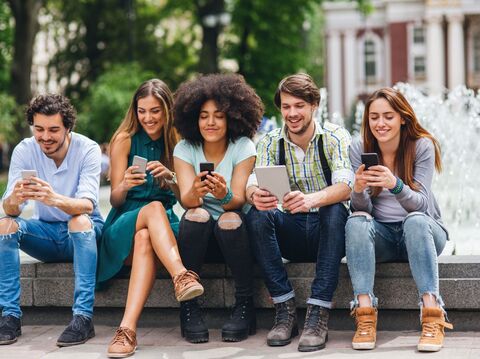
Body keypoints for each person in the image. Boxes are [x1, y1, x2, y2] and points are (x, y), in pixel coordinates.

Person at [246, 73, 353, 352]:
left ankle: (318, 313)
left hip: (326, 233)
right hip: (291, 232)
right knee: (256, 214)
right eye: (285, 106)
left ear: (314, 105)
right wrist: (254, 194)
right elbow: (252, 182)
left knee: (334, 208)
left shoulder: (334, 137)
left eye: (299, 106)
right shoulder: (269, 142)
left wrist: (311, 199)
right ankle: (284, 308)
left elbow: (346, 186)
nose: (291, 113)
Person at [96, 79, 204, 358]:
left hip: (160, 230)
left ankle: (127, 331)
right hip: (124, 224)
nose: (148, 118)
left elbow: (185, 200)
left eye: (155, 111)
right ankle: (180, 275)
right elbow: (115, 200)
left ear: (167, 110)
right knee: (152, 210)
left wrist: (170, 179)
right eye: (142, 111)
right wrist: (124, 185)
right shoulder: (124, 139)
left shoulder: (177, 140)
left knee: (147, 235)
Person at [345, 87, 452, 352]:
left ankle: (432, 314)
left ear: (403, 117)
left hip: (423, 233)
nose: (380, 123)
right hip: (383, 236)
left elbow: (422, 205)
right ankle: (365, 314)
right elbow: (363, 210)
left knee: (414, 220)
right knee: (355, 221)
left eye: (388, 116)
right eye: (374, 117)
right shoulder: (359, 148)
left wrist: (395, 185)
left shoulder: (421, 146)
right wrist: (357, 190)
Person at [0, 94, 104, 346]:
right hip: (45, 234)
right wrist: (14, 197)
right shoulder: (25, 150)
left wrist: (53, 198)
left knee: (79, 220)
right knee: (4, 224)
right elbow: (9, 209)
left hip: (84, 233)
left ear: (68, 128)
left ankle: (83, 318)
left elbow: (88, 205)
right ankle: (9, 316)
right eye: (39, 129)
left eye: (54, 130)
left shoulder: (88, 149)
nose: (45, 137)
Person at [173, 73, 263, 343]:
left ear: (233, 117)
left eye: (218, 115)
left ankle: (245, 304)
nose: (210, 122)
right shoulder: (185, 148)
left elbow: (238, 201)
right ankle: (189, 306)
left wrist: (224, 195)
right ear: (193, 118)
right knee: (195, 214)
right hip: (198, 236)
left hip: (235, 237)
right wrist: (195, 191)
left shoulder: (243, 146)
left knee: (229, 217)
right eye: (203, 115)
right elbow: (187, 202)